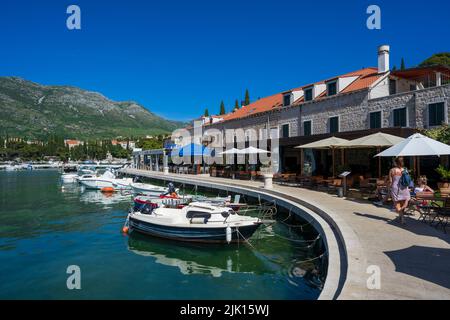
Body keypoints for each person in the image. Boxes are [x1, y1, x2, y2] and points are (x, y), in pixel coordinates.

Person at [389, 157, 410, 224]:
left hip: (395, 188)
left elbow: (390, 181)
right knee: (404, 202)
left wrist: (389, 188)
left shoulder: (392, 170)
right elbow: (408, 180)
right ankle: (401, 217)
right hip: (404, 188)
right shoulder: (405, 170)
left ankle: (401, 215)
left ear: (395, 162)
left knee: (397, 203)